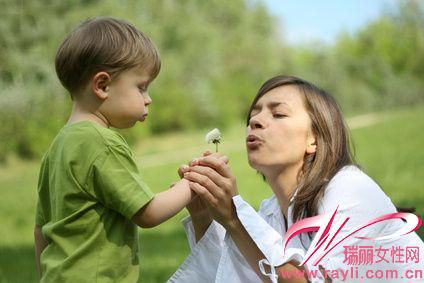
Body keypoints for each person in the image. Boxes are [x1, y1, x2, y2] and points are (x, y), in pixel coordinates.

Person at [169, 76, 424, 282]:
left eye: (278, 114)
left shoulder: (351, 191)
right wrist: (204, 215)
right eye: (252, 116)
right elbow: (236, 274)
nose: (255, 121)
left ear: (314, 139)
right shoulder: (271, 212)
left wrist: (235, 218)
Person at [34, 17, 195, 282]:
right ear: (102, 86)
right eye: (141, 87)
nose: (148, 99)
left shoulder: (57, 147)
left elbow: (41, 230)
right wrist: (190, 185)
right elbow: (148, 212)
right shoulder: (102, 142)